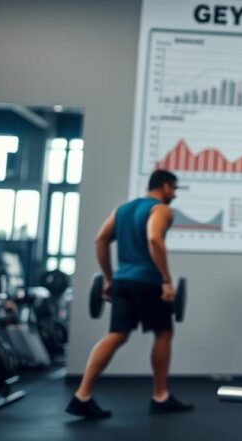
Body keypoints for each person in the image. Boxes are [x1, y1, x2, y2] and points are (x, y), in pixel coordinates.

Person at [66, 170, 193, 419]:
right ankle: (160, 396)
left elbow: (100, 239)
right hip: (148, 282)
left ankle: (82, 395)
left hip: (123, 281)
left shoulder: (122, 209)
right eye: (175, 190)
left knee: (116, 335)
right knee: (164, 333)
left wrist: (110, 278)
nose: (175, 195)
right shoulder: (161, 210)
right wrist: (166, 280)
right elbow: (154, 239)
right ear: (166, 186)